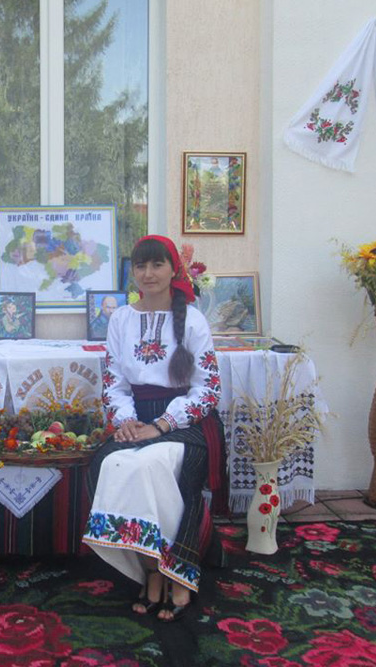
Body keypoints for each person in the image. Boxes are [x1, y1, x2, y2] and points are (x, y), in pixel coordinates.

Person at [82, 235, 228, 622]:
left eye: (157, 264)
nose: (148, 273)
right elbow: (114, 383)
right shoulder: (121, 319)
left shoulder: (193, 320)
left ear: (173, 269)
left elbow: (209, 389)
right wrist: (127, 422)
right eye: (141, 265)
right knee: (111, 464)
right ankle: (150, 568)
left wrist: (162, 425)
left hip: (187, 423)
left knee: (149, 465)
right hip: (136, 419)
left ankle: (177, 569)